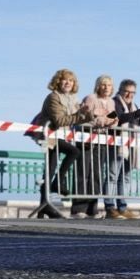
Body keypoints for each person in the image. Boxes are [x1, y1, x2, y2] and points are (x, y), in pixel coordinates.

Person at [36, 68, 95, 217]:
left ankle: (44, 206)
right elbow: (60, 120)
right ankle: (57, 184)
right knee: (73, 152)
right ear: (58, 81)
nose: (68, 83)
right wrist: (80, 116)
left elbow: (76, 118)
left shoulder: (72, 99)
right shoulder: (53, 97)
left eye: (71, 80)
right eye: (65, 80)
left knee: (50, 169)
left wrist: (87, 115)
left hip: (62, 135)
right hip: (50, 136)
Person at [106, 78, 140, 219]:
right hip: (116, 145)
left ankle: (122, 207)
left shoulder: (134, 106)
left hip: (131, 147)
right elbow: (120, 118)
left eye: (133, 92)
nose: (129, 95)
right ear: (120, 91)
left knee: (125, 177)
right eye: (126, 91)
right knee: (112, 176)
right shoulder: (113, 103)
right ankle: (110, 207)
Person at [77, 74, 120, 218]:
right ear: (98, 86)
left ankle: (92, 209)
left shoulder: (111, 102)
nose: (106, 87)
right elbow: (82, 118)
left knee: (96, 174)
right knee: (84, 172)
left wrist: (112, 122)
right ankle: (79, 209)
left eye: (109, 85)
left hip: (101, 140)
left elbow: (113, 119)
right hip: (86, 138)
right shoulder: (90, 98)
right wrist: (101, 120)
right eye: (103, 84)